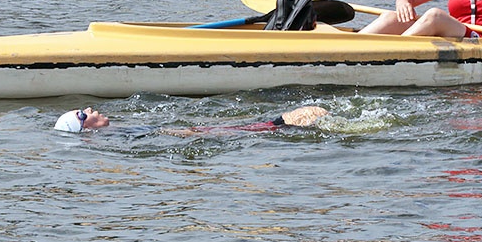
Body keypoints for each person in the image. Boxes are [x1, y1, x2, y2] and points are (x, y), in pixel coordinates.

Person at [53, 105, 329, 133]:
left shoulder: (122, 130)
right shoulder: (121, 136)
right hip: (198, 132)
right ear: (84, 131)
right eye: (82, 115)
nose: (89, 110)